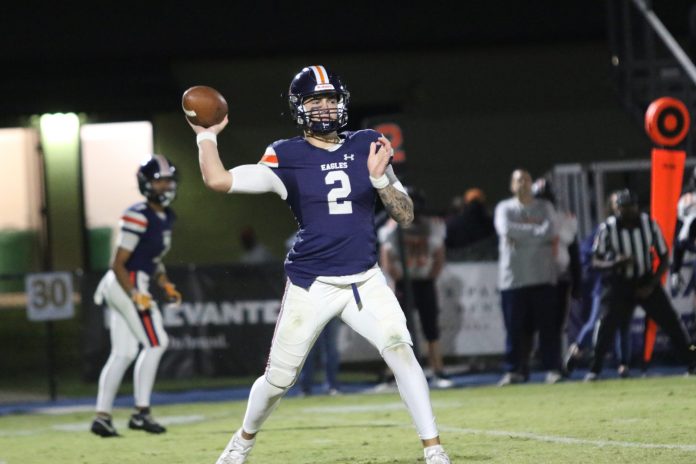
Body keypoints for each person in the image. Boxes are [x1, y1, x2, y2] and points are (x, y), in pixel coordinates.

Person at [189, 65, 451, 464]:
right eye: (316, 100)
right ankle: (241, 442)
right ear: (300, 107)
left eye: (331, 99)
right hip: (312, 283)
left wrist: (381, 182)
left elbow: (406, 216)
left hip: (365, 279)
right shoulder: (286, 155)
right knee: (278, 380)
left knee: (401, 350)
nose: (326, 108)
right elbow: (218, 181)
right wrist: (206, 136)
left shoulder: (368, 143)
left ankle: (434, 450)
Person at [90, 154, 182, 437]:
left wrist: (164, 282)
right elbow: (118, 263)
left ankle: (102, 417)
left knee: (125, 352)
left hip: (132, 280)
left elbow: (153, 259)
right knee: (156, 342)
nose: (166, 187)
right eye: (159, 181)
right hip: (124, 281)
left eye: (169, 181)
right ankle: (141, 413)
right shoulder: (137, 214)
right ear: (146, 185)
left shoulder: (166, 217)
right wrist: (134, 294)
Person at [585, 189, 696, 381]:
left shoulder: (648, 224)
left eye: (629, 207)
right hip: (619, 283)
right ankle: (595, 369)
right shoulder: (608, 228)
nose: (626, 212)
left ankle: (692, 363)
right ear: (615, 209)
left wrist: (651, 285)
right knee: (606, 325)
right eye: (621, 208)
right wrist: (615, 262)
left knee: (671, 322)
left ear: (636, 207)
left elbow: (663, 258)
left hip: (645, 280)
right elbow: (595, 260)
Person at [379, 188, 453, 389]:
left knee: (430, 328)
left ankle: (437, 370)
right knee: (400, 329)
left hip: (423, 281)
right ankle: (395, 373)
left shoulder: (432, 226)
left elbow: (439, 253)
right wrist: (398, 277)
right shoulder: (391, 228)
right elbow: (386, 257)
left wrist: (430, 275)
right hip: (405, 282)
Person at [494, 168, 561, 386]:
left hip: (543, 276)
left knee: (548, 328)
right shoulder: (504, 208)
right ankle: (515, 370)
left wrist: (520, 235)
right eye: (518, 180)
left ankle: (553, 368)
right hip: (513, 280)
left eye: (526, 179)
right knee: (514, 329)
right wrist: (535, 231)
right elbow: (506, 230)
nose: (522, 183)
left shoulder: (545, 207)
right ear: (512, 185)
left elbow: (550, 232)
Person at [564, 191, 632, 378]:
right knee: (596, 321)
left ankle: (623, 363)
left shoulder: (636, 227)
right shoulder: (604, 229)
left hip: (626, 283)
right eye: (618, 204)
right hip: (605, 284)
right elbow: (587, 254)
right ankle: (577, 349)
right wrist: (610, 261)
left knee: (623, 323)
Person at [298, 316, 341, 396]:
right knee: (309, 349)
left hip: (331, 308)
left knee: (330, 348)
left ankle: (331, 386)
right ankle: (305, 388)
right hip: (310, 311)